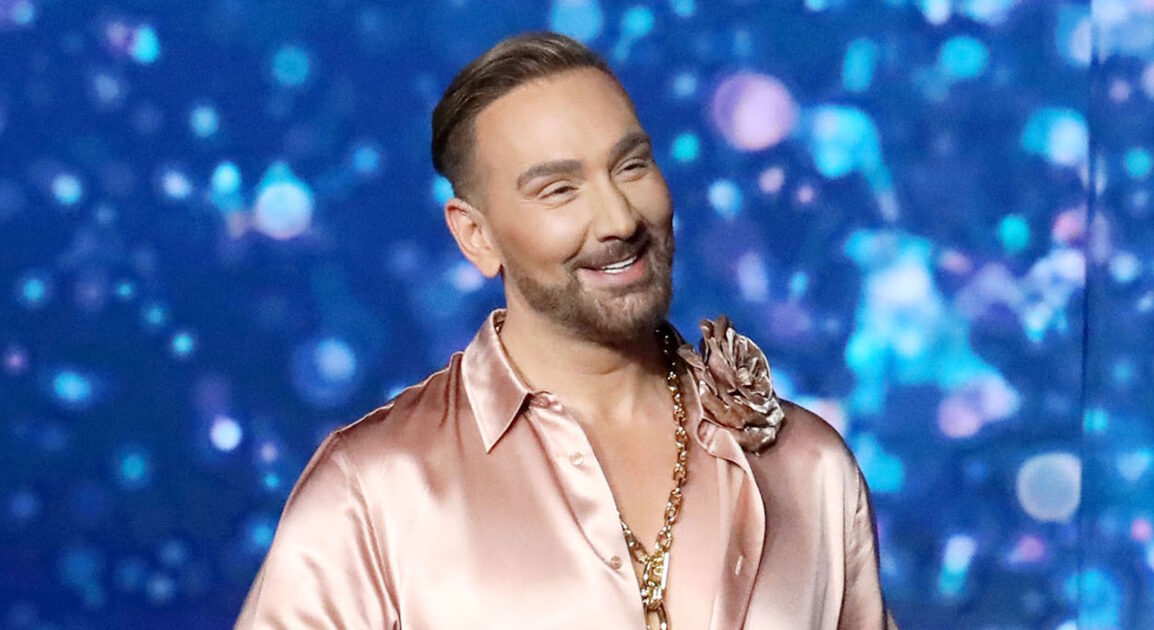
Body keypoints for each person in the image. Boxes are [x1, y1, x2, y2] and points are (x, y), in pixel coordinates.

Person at [235, 31, 898, 630]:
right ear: (475, 235)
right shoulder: (373, 489)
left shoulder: (808, 466)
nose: (618, 220)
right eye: (559, 190)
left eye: (631, 167)